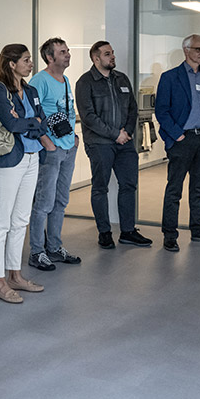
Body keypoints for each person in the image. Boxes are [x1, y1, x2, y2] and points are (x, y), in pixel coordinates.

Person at [0, 44, 54, 303]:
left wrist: (30, 123)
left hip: (32, 157)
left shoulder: (31, 90)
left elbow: (42, 123)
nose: (31, 64)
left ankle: (15, 275)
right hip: (9, 160)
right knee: (1, 222)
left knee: (20, 220)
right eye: (26, 60)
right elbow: (11, 123)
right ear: (12, 64)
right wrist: (32, 122)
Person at [75, 40, 152, 249]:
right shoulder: (85, 82)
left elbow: (133, 109)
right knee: (100, 187)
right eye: (107, 54)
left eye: (113, 53)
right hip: (100, 143)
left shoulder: (122, 79)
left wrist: (126, 132)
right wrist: (114, 134)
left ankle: (128, 231)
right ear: (96, 58)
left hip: (124, 143)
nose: (112, 57)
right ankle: (105, 232)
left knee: (129, 185)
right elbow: (88, 117)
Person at [154, 34, 200, 252]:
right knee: (174, 189)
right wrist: (176, 135)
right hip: (182, 140)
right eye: (198, 49)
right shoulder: (170, 77)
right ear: (186, 50)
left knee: (199, 188)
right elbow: (161, 111)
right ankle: (170, 234)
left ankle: (198, 228)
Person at [27, 37, 82, 270]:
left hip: (68, 147)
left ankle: (54, 247)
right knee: (44, 202)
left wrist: (74, 138)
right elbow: (31, 115)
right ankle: (37, 251)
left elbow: (67, 111)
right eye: (62, 52)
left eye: (67, 51)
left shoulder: (66, 80)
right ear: (50, 57)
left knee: (61, 200)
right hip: (51, 150)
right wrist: (47, 142)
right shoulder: (39, 81)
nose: (68, 54)